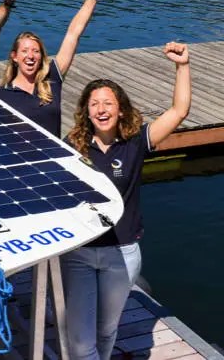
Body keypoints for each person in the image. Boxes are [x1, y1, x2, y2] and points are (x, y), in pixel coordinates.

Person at [61, 42, 191, 360]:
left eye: (108, 103)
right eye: (95, 104)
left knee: (106, 331)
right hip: (79, 252)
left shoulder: (134, 144)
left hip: (122, 253)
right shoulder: (72, 146)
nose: (102, 110)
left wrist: (182, 66)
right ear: (86, 110)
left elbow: (179, 111)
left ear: (121, 109)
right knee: (79, 343)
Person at [0, 0, 104, 137]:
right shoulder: (1, 95)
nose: (30, 56)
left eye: (35, 51)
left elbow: (74, 33)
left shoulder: (51, 78)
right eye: (25, 51)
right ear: (14, 57)